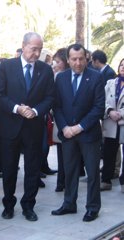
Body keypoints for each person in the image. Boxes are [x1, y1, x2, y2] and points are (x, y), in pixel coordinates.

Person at [0, 32, 54, 222]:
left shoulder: (45, 70)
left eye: (39, 49)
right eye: (33, 49)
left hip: (33, 127)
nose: (36, 53)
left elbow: (50, 97)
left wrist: (35, 111)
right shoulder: (6, 66)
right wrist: (17, 108)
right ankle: (8, 204)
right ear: (23, 46)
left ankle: (29, 205)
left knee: (33, 169)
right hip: (10, 127)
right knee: (9, 168)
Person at [51, 43, 105, 222]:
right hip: (67, 134)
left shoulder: (96, 77)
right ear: (68, 60)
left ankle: (92, 207)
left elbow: (98, 108)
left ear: (86, 58)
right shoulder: (61, 78)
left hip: (88, 134)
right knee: (70, 170)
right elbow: (57, 106)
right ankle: (69, 203)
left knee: (92, 173)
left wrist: (79, 127)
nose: (78, 62)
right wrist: (64, 127)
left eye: (81, 58)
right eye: (74, 59)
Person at [101, 58, 124, 191]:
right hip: (110, 123)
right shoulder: (110, 83)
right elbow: (101, 99)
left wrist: (120, 114)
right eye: (121, 65)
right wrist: (109, 111)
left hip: (122, 122)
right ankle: (106, 180)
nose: (123, 67)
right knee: (108, 153)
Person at [52, 47, 70, 192]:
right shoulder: (56, 76)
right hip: (60, 120)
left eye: (57, 61)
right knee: (60, 151)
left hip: (73, 121)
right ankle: (61, 180)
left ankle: (66, 180)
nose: (55, 64)